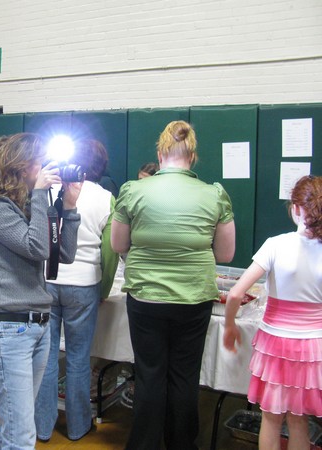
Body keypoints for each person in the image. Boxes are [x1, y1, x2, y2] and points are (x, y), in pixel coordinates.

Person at [111, 120, 236, 450]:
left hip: (146, 297)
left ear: (160, 152)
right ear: (192, 156)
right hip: (193, 299)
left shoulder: (133, 191)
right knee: (184, 376)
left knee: (150, 374)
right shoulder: (215, 194)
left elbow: (118, 245)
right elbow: (225, 252)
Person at [0, 132, 82, 449]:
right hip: (7, 328)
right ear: (22, 166)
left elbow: (63, 254)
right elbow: (36, 247)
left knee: (14, 427)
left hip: (36, 327)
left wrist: (70, 206)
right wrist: (39, 196)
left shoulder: (30, 206)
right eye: (41, 161)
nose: (48, 167)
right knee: (22, 434)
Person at [223, 175, 322, 450]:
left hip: (276, 344)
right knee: (299, 420)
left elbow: (234, 293)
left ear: (296, 208)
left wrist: (230, 325)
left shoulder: (276, 244)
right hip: (314, 346)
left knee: (271, 418)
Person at [35, 139, 118, 441]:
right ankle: (79, 425)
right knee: (79, 358)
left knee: (44, 357)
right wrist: (103, 290)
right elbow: (108, 254)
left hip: (48, 279)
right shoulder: (107, 197)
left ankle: (42, 427)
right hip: (84, 285)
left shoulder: (51, 189)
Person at [120, 160, 160, 409]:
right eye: (138, 179)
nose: (139, 186)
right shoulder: (132, 203)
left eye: (145, 181)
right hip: (139, 285)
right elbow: (119, 245)